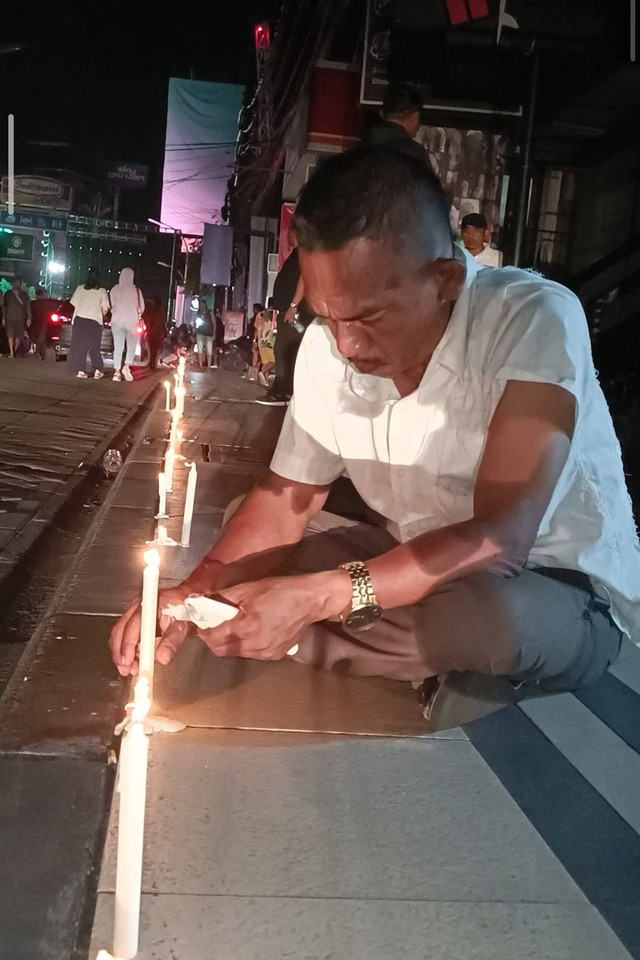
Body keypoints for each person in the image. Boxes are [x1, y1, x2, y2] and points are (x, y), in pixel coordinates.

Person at [109, 149, 639, 731]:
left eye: (369, 317)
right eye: (327, 317)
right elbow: (285, 504)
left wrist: (317, 596)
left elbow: (498, 542)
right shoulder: (325, 349)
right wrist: (189, 594)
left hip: (550, 585)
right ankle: (349, 644)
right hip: (403, 565)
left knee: (481, 620)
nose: (346, 346)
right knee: (252, 543)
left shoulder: (533, 319)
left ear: (445, 280)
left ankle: (332, 639)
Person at [255, 236, 313, 406]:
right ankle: (286, 390)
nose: (287, 236)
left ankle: (281, 392)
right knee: (286, 351)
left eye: (290, 232)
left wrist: (294, 305)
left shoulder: (304, 251)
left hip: (295, 312)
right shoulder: (297, 253)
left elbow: (305, 277)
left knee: (283, 349)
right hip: (289, 311)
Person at [360, 82, 429, 166]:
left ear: (381, 114)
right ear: (415, 116)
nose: (418, 126)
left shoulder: (358, 149)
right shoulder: (414, 155)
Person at [69, 268, 110, 379]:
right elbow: (105, 309)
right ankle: (97, 370)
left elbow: (73, 303)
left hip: (79, 320)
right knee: (94, 347)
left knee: (80, 347)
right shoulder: (102, 291)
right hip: (94, 321)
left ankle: (80, 371)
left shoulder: (80, 288)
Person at [110, 267, 144, 382]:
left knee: (118, 347)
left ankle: (116, 372)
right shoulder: (137, 291)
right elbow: (142, 308)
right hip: (132, 322)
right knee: (131, 346)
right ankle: (127, 366)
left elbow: (112, 304)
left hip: (117, 321)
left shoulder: (115, 289)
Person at [2, 277, 31, 358]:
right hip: (9, 317)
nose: (17, 284)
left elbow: (28, 306)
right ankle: (11, 352)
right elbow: (4, 307)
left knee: (18, 335)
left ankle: (14, 350)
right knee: (10, 335)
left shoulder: (24, 294)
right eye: (15, 283)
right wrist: (3, 318)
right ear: (13, 284)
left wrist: (29, 318)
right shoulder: (8, 294)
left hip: (21, 318)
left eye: (18, 283)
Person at [143, 297, 166, 371]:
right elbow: (163, 323)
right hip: (158, 333)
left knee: (152, 349)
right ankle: (152, 364)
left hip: (152, 332)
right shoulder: (161, 312)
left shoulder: (152, 311)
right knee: (155, 349)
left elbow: (150, 322)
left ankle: (151, 363)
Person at [195, 299, 216, 369]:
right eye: (200, 305)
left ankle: (209, 366)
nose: (201, 306)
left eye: (202, 304)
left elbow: (214, 322)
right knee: (200, 350)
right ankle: (201, 366)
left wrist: (214, 333)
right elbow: (195, 323)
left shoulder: (210, 312)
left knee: (209, 350)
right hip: (200, 333)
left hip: (209, 334)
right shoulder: (198, 314)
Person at [30, 287, 49, 361]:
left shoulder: (33, 303)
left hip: (34, 322)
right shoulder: (44, 303)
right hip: (42, 322)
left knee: (37, 338)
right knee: (41, 338)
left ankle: (39, 353)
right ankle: (39, 353)